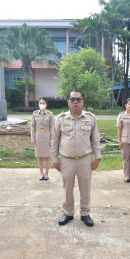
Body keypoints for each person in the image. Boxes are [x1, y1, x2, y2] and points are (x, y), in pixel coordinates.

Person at [51, 89, 101, 227]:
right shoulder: (60, 119)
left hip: (85, 159)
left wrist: (97, 157)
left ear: (83, 102)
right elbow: (55, 140)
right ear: (68, 102)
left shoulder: (90, 118)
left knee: (85, 187)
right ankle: (68, 212)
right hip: (67, 160)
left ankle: (85, 213)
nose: (75, 102)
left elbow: (95, 140)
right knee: (67, 187)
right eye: (72, 99)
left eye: (78, 99)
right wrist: (54, 159)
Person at [31, 98, 54, 180]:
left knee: (48, 156)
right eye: (40, 103)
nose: (42, 104)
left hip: (47, 135)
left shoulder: (50, 114)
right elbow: (33, 126)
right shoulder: (35, 114)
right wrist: (32, 138)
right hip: (38, 135)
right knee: (39, 156)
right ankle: (41, 173)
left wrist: (52, 139)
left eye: (43, 103)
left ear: (46, 104)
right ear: (38, 104)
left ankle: (46, 173)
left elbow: (52, 127)